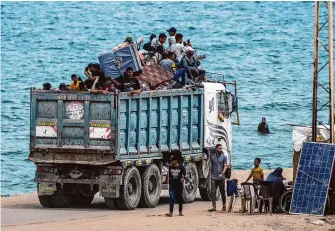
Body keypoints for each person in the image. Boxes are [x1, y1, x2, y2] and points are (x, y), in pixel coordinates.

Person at [208, 144, 228, 212]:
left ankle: (224, 205)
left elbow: (225, 166)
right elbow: (211, 166)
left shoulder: (224, 157)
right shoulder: (212, 157)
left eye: (221, 148)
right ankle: (214, 206)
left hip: (221, 177)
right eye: (219, 148)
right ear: (216, 149)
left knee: (222, 192)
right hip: (213, 177)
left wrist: (223, 173)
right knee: (213, 192)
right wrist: (210, 175)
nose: (220, 149)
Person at [166, 151, 186, 217]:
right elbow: (169, 177)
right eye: (171, 161)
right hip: (172, 186)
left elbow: (184, 174)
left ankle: (180, 212)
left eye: (173, 161)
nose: (172, 162)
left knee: (180, 199)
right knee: (171, 198)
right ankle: (170, 212)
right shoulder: (170, 168)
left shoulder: (181, 167)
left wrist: (183, 178)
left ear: (176, 161)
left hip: (179, 186)